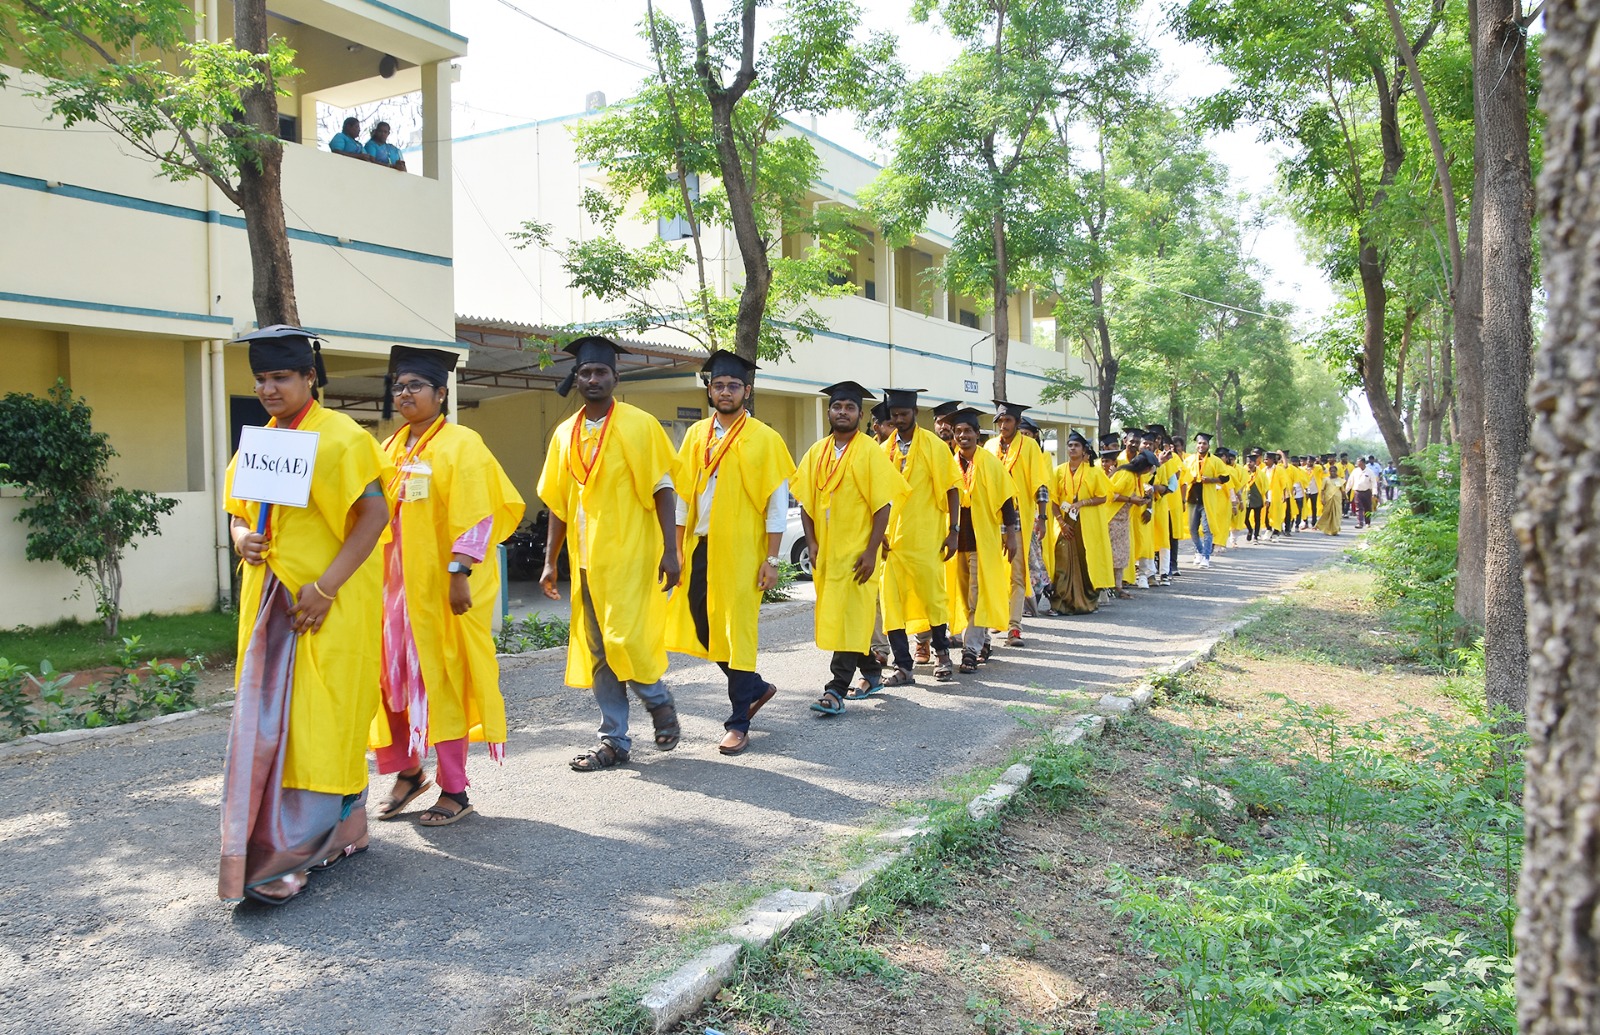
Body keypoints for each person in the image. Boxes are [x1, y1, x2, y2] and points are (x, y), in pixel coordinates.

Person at [220, 325, 391, 906]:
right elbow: (240, 514)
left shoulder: (342, 437)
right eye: (261, 379)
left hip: (326, 605)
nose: (269, 388)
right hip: (268, 602)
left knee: (320, 722)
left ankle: (286, 857)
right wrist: (242, 537)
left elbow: (373, 516)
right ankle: (346, 830)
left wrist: (324, 587)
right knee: (273, 722)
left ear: (308, 378)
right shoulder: (260, 442)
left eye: (281, 377)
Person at [371, 345, 525, 827]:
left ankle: (454, 789)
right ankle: (407, 772)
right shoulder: (390, 448)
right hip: (392, 593)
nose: (405, 394)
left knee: (443, 683)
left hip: (441, 591)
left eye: (415, 386)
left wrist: (460, 572)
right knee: (392, 682)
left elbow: (479, 515)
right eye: (398, 386)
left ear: (441, 393)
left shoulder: (462, 444)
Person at [537, 336, 681, 772]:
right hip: (586, 562)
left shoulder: (640, 425)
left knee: (627, 640)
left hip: (632, 557)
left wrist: (671, 551)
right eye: (586, 372)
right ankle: (613, 741)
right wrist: (549, 560)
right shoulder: (565, 434)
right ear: (575, 378)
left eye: (601, 372)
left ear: (616, 378)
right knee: (599, 653)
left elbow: (663, 489)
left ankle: (658, 701)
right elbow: (558, 504)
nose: (593, 379)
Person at [667, 350, 794, 756]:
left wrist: (772, 560)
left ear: (747, 391)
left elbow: (776, 506)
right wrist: (677, 548)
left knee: (737, 632)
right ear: (709, 389)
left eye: (733, 385)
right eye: (719, 385)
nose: (725, 391)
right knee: (704, 626)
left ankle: (738, 722)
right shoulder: (696, 435)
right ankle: (755, 687)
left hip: (743, 550)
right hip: (701, 547)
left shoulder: (765, 439)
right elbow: (685, 497)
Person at [794, 382, 908, 715]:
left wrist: (872, 551)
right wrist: (812, 542)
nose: (842, 412)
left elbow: (882, 505)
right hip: (828, 552)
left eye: (850, 407)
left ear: (859, 413)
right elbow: (805, 501)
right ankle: (871, 672)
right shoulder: (817, 452)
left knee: (848, 617)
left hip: (858, 553)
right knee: (848, 619)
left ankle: (835, 690)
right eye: (837, 406)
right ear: (829, 412)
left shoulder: (870, 451)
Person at [877, 388, 962, 685]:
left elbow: (953, 488)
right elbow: (875, 495)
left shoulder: (934, 446)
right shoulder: (884, 449)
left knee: (933, 597)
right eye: (894, 415)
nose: (899, 420)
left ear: (915, 412)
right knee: (891, 602)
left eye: (904, 414)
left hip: (926, 535)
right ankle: (904, 666)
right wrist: (878, 534)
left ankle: (942, 654)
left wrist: (954, 531)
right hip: (892, 541)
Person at [947, 408, 1021, 671]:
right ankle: (984, 640)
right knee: (965, 597)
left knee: (978, 596)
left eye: (968, 431)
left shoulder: (990, 463)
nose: (962, 435)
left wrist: (1011, 535)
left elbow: (1007, 502)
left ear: (978, 434)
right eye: (958, 432)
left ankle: (971, 650)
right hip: (956, 543)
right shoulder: (948, 464)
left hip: (983, 541)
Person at [987, 402, 1050, 646]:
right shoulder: (990, 446)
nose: (1003, 425)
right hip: (992, 520)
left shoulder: (1029, 446)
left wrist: (1042, 518)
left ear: (1017, 422)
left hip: (1018, 519)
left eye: (1008, 421)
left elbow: (1040, 484)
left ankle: (1014, 626)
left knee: (1017, 572)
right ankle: (996, 617)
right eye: (1000, 421)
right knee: (993, 571)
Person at [1049, 431, 1111, 614]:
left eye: (1076, 445)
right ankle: (1060, 603)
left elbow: (1103, 497)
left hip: (1086, 524)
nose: (1072, 448)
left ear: (1084, 450)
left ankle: (1087, 601)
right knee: (1062, 560)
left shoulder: (1094, 472)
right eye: (1070, 445)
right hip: (1065, 522)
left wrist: (1083, 502)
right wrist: (1061, 522)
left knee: (1086, 561)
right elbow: (1053, 500)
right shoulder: (1058, 470)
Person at [1182, 433, 1232, 569]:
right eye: (1199, 443)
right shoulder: (1189, 460)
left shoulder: (1215, 461)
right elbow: (1182, 478)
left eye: (1204, 443)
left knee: (1207, 529)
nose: (1201, 446)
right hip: (1192, 498)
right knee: (1192, 529)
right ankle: (1199, 550)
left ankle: (1206, 556)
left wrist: (1211, 480)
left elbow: (1225, 478)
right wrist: (1190, 479)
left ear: (1208, 445)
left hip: (1207, 499)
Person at [1345, 456, 1377, 528]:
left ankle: (1367, 522)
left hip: (1367, 492)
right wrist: (1346, 491)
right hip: (1357, 492)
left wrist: (1374, 493)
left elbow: (1374, 483)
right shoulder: (1355, 471)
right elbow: (1350, 481)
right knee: (1358, 508)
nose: (1357, 464)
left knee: (1367, 508)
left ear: (1363, 463)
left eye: (1359, 462)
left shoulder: (1369, 472)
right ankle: (1360, 523)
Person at [1316, 454, 1345, 535]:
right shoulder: (1326, 479)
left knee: (1337, 515)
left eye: (1334, 471)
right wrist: (1322, 499)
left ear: (1336, 472)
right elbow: (1322, 490)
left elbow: (1342, 490)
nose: (1333, 472)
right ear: (1329, 472)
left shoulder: (1339, 480)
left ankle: (1335, 530)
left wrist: (1345, 498)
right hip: (1328, 499)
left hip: (1337, 499)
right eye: (1331, 471)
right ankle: (1327, 529)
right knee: (1327, 514)